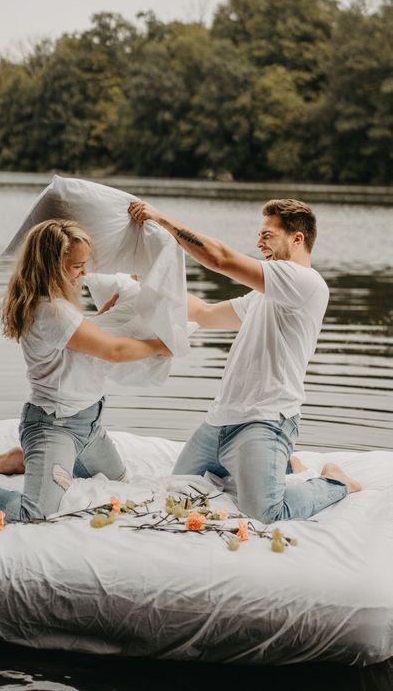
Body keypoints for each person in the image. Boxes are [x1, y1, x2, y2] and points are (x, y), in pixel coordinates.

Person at [0, 219, 171, 521]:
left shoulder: (54, 304)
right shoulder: (52, 310)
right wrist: (161, 345)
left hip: (88, 426)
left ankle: (25, 459)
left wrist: (112, 312)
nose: (84, 272)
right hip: (53, 424)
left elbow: (79, 342)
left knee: (117, 482)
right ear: (52, 266)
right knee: (35, 513)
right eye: (76, 265)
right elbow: (113, 351)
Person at [128, 198, 361, 523]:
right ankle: (285, 463)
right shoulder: (267, 293)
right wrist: (148, 287)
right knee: (178, 491)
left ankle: (335, 481)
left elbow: (220, 259)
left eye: (267, 235)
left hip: (265, 420)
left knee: (265, 513)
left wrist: (162, 220)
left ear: (298, 239)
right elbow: (205, 314)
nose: (258, 242)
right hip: (221, 421)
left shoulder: (304, 283)